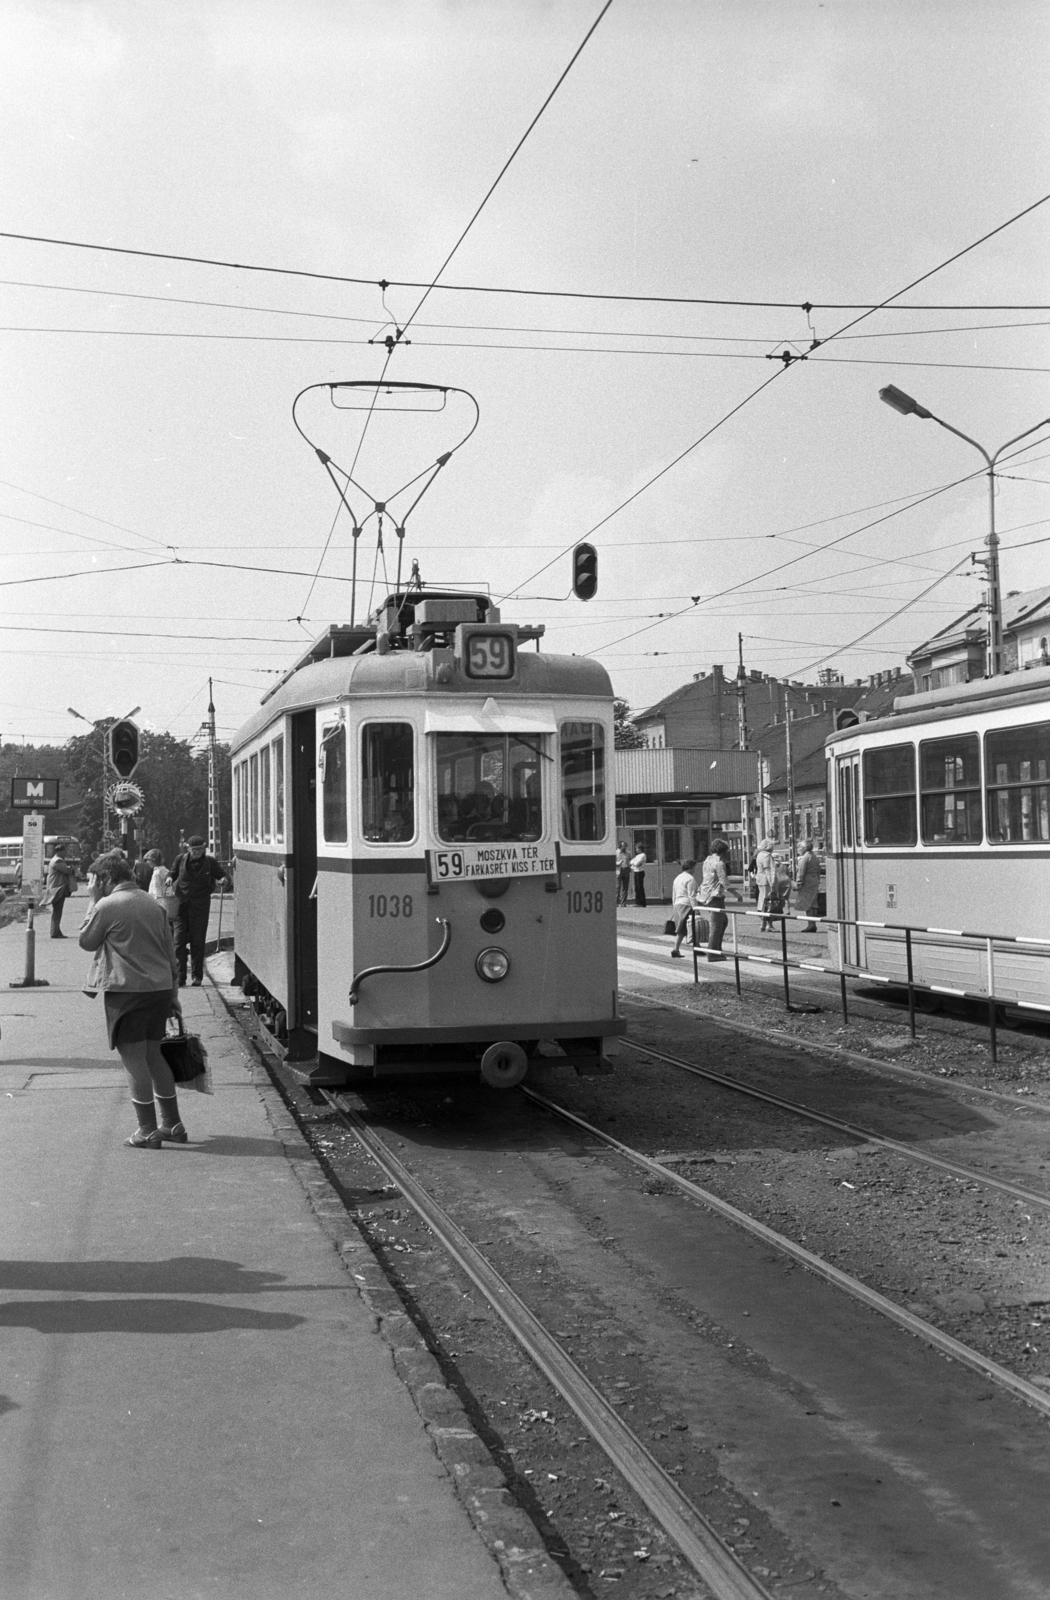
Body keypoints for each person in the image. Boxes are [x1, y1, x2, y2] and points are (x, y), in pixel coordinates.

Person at [78, 849, 185, 1147]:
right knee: (154, 1055)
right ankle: (173, 1124)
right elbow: (170, 953)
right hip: (160, 990)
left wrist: (92, 900)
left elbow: (86, 941)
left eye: (92, 879)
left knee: (133, 1060)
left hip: (128, 992)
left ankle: (147, 1130)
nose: (89, 884)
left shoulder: (107, 906)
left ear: (105, 878)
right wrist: (173, 995)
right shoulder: (153, 904)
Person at [169, 835, 231, 987]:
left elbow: (223, 875)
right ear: (188, 849)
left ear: (204, 849)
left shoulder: (210, 862)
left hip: (200, 908)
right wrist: (169, 878)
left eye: (200, 849)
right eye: (194, 850)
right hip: (181, 908)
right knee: (178, 943)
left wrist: (224, 880)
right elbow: (172, 872)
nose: (197, 852)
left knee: (198, 943)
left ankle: (197, 977)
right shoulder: (180, 859)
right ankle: (180, 977)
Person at [697, 838, 744, 961]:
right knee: (716, 925)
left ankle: (717, 949)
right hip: (715, 896)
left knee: (723, 921)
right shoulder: (719, 863)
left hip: (705, 895)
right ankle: (712, 953)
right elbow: (724, 882)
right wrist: (737, 894)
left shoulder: (707, 861)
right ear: (723, 852)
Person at [40, 842, 79, 938]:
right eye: (64, 851)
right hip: (58, 888)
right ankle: (54, 932)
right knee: (57, 910)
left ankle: (56, 931)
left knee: (57, 910)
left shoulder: (55, 860)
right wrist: (72, 868)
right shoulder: (58, 861)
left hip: (56, 887)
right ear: (60, 851)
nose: (66, 853)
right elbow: (67, 870)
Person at [669, 859, 699, 957]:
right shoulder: (690, 879)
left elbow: (674, 893)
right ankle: (675, 949)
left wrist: (674, 906)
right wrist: (696, 908)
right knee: (687, 927)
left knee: (687, 927)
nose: (695, 869)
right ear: (691, 868)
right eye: (694, 867)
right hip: (687, 904)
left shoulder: (677, 878)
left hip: (677, 904)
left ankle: (697, 947)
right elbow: (692, 895)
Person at [793, 838, 821, 933]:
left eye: (800, 847)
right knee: (813, 903)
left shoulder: (804, 858)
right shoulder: (815, 857)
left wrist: (798, 883)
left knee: (807, 903)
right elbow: (818, 870)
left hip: (807, 882)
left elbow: (801, 872)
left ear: (804, 848)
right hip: (814, 881)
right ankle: (813, 923)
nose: (799, 849)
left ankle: (810, 924)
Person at [754, 836, 777, 932]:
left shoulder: (759, 855)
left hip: (760, 880)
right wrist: (773, 883)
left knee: (763, 901)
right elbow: (769, 871)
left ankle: (763, 923)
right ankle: (768, 924)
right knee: (769, 902)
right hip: (766, 882)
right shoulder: (767, 856)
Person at [615, 842, 631, 907]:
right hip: (619, 870)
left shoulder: (628, 853)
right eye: (623, 846)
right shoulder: (615, 852)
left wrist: (630, 867)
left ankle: (623, 903)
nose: (624, 847)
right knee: (617, 887)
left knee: (625, 887)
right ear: (620, 846)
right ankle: (616, 902)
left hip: (626, 869)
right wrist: (618, 863)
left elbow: (630, 861)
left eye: (625, 846)